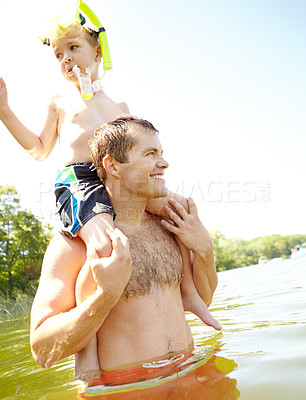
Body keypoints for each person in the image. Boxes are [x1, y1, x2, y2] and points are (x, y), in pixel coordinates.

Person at [0, 9, 219, 379]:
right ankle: (88, 359)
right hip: (80, 182)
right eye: (58, 55)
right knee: (103, 240)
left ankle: (190, 296)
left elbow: (129, 151)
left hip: (188, 373)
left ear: (98, 51)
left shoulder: (120, 108)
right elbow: (39, 148)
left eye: (73, 48)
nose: (65, 59)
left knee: (178, 211)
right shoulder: (60, 101)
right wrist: (5, 112)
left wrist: (204, 248)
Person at [30, 118, 220, 390]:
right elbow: (42, 351)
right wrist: (104, 298)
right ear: (112, 166)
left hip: (192, 375)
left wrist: (204, 250)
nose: (164, 163)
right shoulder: (74, 246)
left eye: (161, 153)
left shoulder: (169, 228)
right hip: (129, 390)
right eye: (150, 154)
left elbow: (204, 298)